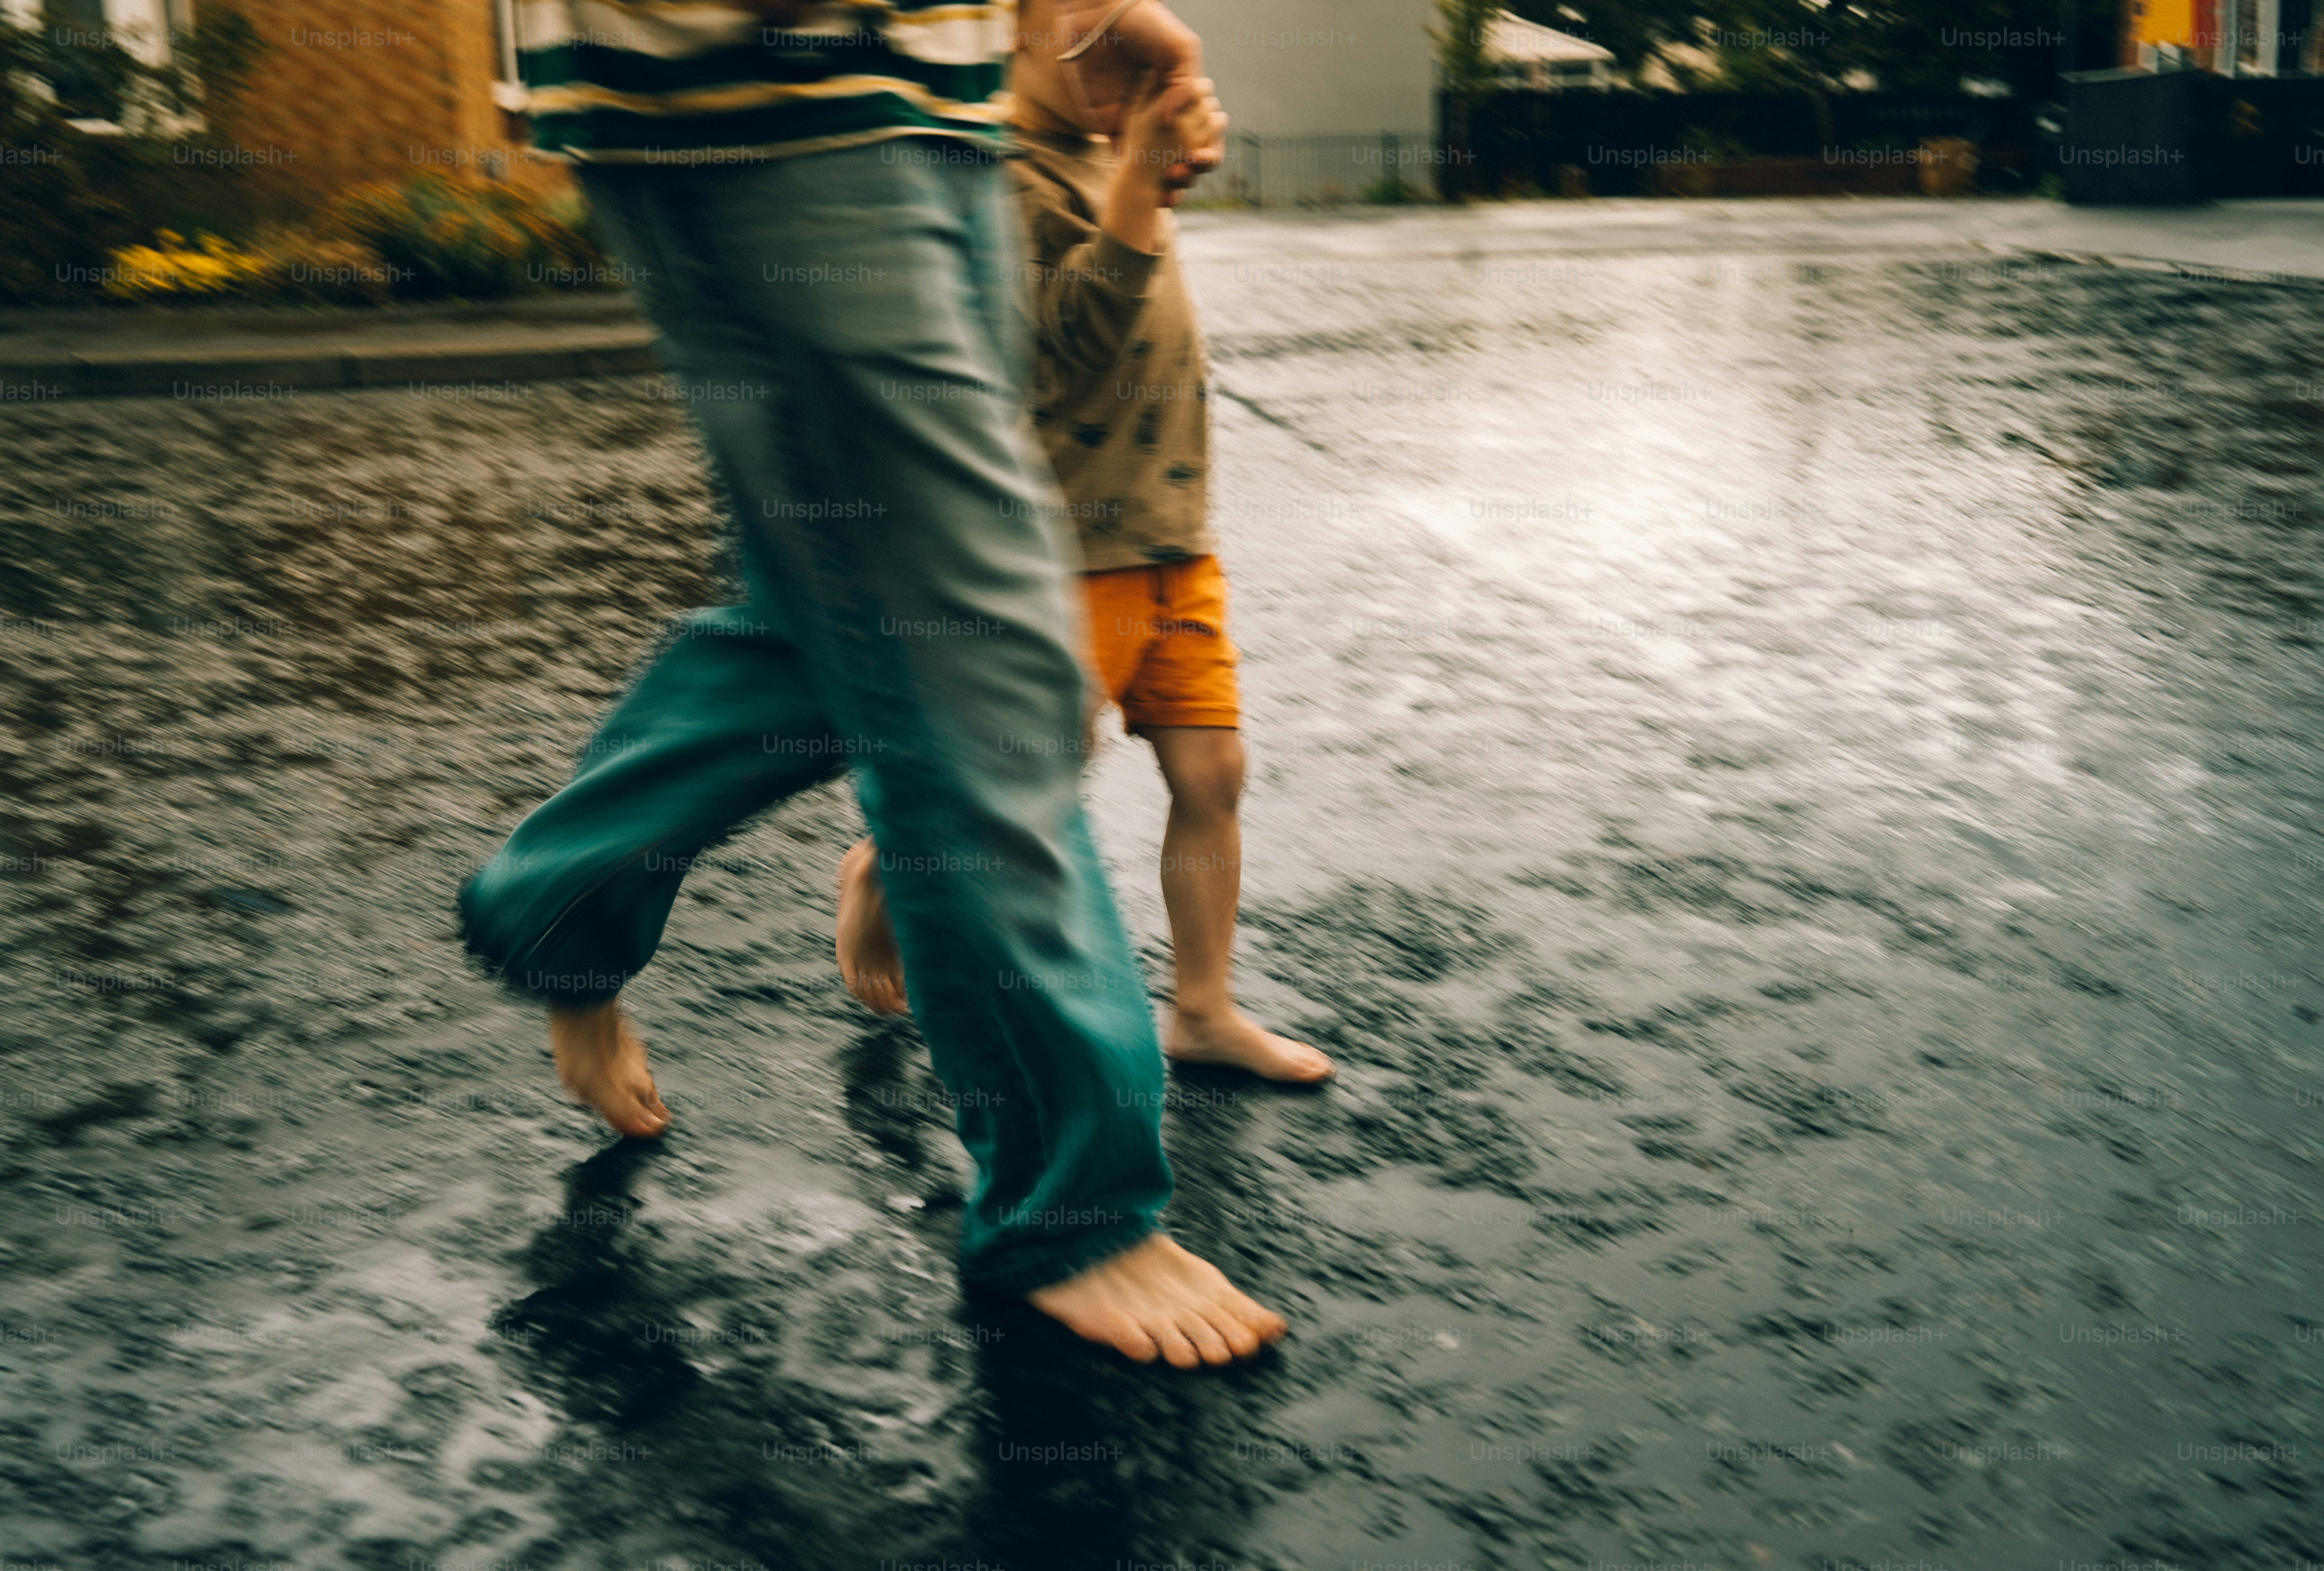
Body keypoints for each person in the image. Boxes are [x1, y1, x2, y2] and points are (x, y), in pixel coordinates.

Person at [461, 0, 1284, 1368]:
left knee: (837, 614)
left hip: (924, 87)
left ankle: (563, 898)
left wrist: (1063, 13)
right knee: (980, 644)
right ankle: (1064, 1200)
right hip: (756, 83)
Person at [833, 23, 1334, 1088]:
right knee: (1034, 776)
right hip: (1065, 552)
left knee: (1213, 770)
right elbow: (1075, 331)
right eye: (1093, 35)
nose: (1127, 70)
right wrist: (1141, 189)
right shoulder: (999, 178)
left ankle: (1201, 1008)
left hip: (1173, 540)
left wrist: (1154, 161)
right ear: (1018, 29)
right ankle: (886, 864)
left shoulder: (1105, 152)